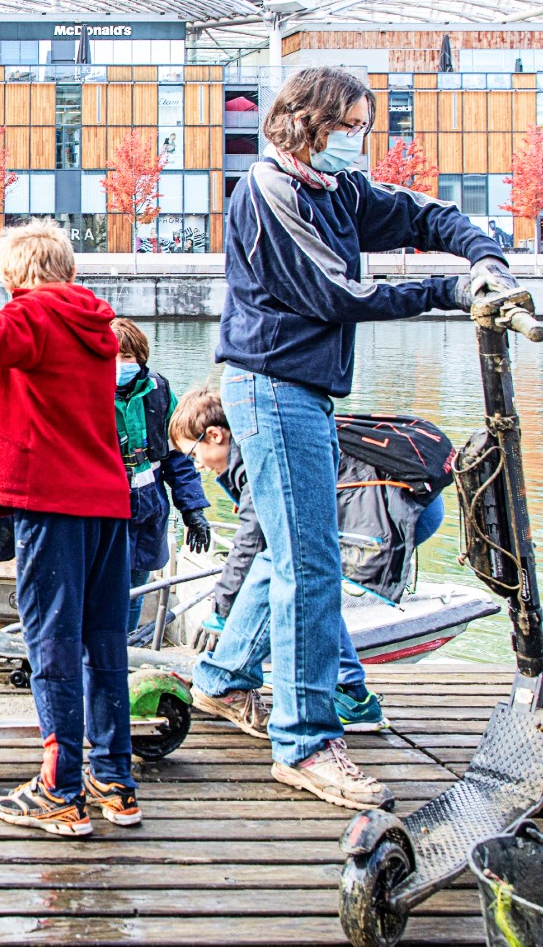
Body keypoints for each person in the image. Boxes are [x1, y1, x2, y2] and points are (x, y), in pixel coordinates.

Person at [217, 66, 512, 809]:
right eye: (349, 126)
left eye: (365, 127)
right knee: (311, 567)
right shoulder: (271, 192)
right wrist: (447, 292)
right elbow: (336, 295)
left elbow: (423, 216)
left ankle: (223, 680)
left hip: (302, 389)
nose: (360, 140)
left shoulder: (338, 190)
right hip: (272, 387)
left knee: (288, 554)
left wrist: (483, 258)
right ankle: (307, 743)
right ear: (306, 123)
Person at [0, 219, 137, 837]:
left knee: (50, 644)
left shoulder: (36, 312)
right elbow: (47, 403)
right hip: (105, 504)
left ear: (15, 274)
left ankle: (59, 789)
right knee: (104, 645)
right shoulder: (92, 323)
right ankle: (114, 781)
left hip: (53, 505)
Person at [168, 387, 453, 737]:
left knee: (294, 571)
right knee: (305, 577)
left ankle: (341, 691)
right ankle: (343, 691)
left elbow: (253, 538)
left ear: (215, 434)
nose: (195, 464)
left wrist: (223, 607)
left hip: (397, 510)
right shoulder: (250, 439)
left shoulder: (257, 454)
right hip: (406, 502)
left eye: (193, 453)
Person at [109, 318, 212, 642]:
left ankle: (122, 652)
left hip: (148, 509)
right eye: (112, 357)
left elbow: (178, 456)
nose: (120, 365)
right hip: (104, 509)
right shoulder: (84, 391)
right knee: (104, 586)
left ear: (141, 358)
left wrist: (193, 509)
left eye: (127, 358)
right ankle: (97, 654)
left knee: (136, 588)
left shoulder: (160, 391)